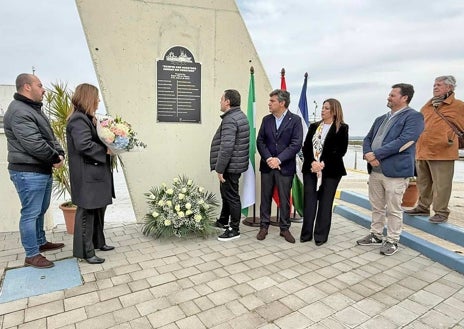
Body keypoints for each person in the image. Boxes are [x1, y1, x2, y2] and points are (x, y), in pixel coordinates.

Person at [4, 73, 65, 268]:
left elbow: (50, 137)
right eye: (39, 85)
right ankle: (31, 254)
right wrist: (55, 158)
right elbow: (34, 144)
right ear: (27, 87)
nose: (44, 89)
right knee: (31, 212)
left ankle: (40, 242)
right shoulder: (19, 111)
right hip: (28, 171)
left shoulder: (34, 109)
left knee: (40, 209)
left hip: (40, 169)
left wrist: (60, 152)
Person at [356, 83, 424, 255]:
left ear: (404, 98)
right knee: (376, 206)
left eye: (392, 95)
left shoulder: (414, 117)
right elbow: (367, 138)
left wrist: (376, 154)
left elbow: (405, 140)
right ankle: (376, 234)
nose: (388, 97)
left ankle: (392, 240)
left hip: (395, 172)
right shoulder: (381, 118)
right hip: (375, 171)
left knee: (393, 208)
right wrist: (368, 154)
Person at [405, 76, 464, 223]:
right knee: (423, 182)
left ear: (449, 88)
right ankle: (423, 206)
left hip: (443, 151)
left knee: (442, 184)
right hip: (423, 149)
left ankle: (441, 211)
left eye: (439, 85)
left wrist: (448, 137)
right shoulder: (428, 106)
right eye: (434, 85)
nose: (435, 87)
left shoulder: (458, 106)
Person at [66, 83, 114, 264]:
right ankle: (86, 252)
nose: (99, 100)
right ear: (88, 98)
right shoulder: (78, 119)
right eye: (96, 97)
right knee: (87, 213)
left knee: (98, 209)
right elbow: (84, 144)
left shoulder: (87, 118)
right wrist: (107, 151)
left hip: (94, 174)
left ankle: (98, 243)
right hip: (87, 175)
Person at [256, 89, 303, 243]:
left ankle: (284, 229)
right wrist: (269, 158)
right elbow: (260, 141)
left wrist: (279, 159)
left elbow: (296, 144)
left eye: (272, 101)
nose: (269, 104)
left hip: (285, 167)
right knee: (265, 197)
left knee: (284, 199)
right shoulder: (266, 120)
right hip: (267, 166)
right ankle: (264, 226)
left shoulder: (295, 120)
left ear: (282, 103)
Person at [300, 98, 348, 246]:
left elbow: (340, 150)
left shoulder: (342, 128)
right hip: (311, 169)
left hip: (331, 171)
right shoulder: (314, 126)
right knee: (309, 202)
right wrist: (313, 163)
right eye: (322, 107)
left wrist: (322, 164)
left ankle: (320, 235)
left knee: (325, 203)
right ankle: (306, 234)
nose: (322, 110)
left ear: (334, 111)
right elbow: (306, 147)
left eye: (326, 108)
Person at [210, 89, 250, 241]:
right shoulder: (239, 116)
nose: (220, 101)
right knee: (226, 194)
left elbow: (226, 147)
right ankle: (223, 221)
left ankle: (234, 229)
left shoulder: (230, 119)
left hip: (230, 166)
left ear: (227, 102)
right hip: (234, 164)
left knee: (232, 196)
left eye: (221, 99)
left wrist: (220, 169)